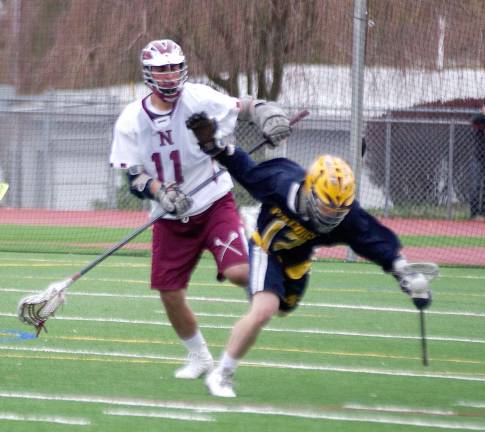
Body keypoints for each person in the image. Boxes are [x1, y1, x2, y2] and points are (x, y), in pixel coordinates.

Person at [186, 111, 435, 397]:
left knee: (282, 308)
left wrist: (404, 272)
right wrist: (217, 147)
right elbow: (248, 171)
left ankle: (250, 278)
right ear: (310, 189)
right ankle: (222, 374)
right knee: (264, 309)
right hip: (268, 247)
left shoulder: (346, 217)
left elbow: (375, 241)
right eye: (327, 205)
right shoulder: (282, 183)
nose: (332, 214)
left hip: (298, 259)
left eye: (338, 208)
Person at [109, 39, 291, 380]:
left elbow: (242, 105)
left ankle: (275, 271)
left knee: (239, 272)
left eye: (174, 67)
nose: (169, 74)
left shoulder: (199, 96)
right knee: (169, 293)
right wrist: (160, 192)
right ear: (149, 73)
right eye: (162, 69)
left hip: (212, 202)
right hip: (170, 216)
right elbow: (134, 177)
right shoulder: (131, 119)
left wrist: (264, 110)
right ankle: (200, 357)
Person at [470, 99, 485, 221]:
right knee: (475, 186)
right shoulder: (479, 119)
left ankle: (483, 213)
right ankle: (474, 214)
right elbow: (474, 120)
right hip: (478, 159)